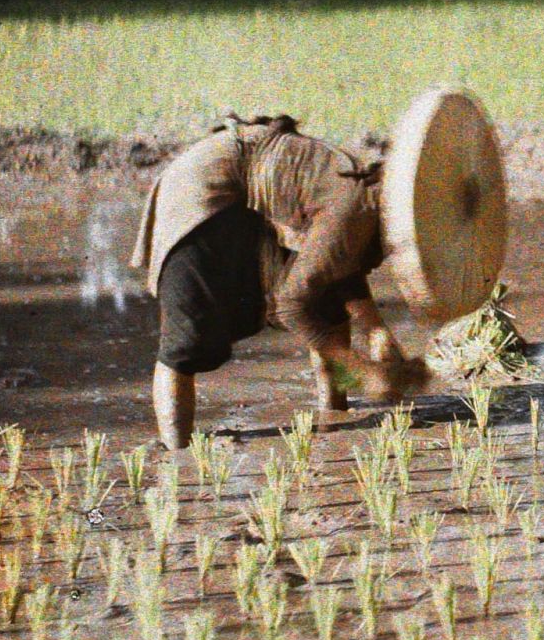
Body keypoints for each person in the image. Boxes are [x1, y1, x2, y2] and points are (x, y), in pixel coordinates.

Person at [132, 114, 430, 451]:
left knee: (328, 302)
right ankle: (176, 453)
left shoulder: (369, 198)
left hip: (251, 175)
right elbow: (292, 305)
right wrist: (360, 369)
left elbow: (336, 265)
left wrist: (376, 332)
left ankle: (333, 415)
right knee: (188, 338)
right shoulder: (354, 207)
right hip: (203, 186)